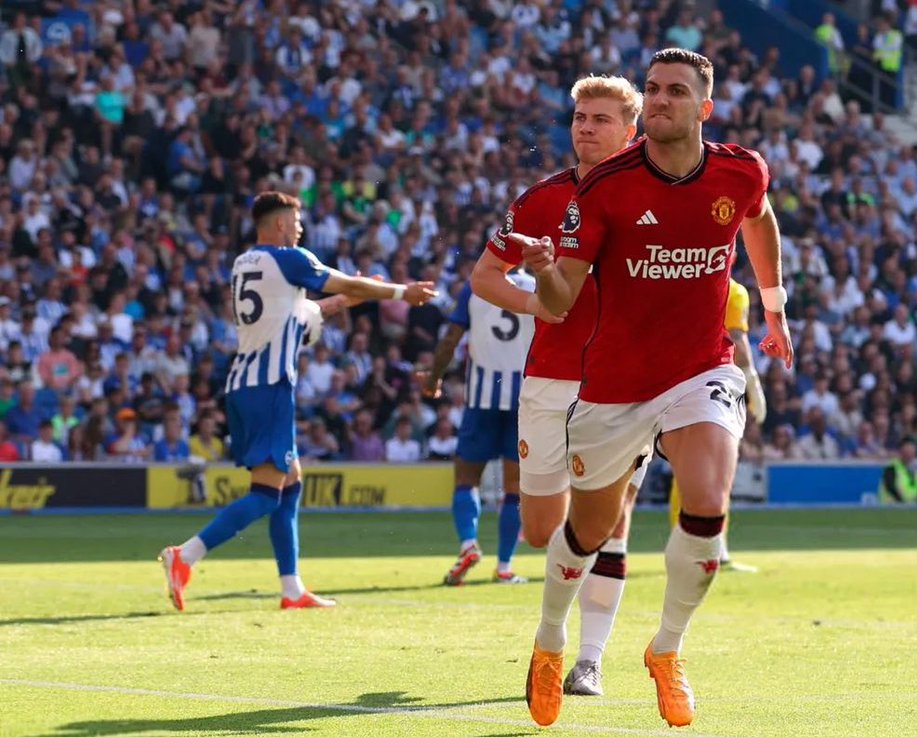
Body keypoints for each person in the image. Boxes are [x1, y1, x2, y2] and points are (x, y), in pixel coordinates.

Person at [513, 49, 793, 728]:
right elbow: (560, 299)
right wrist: (544, 270)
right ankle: (550, 639)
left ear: (705, 107)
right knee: (586, 530)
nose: (660, 99)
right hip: (615, 384)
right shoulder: (606, 186)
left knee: (707, 500)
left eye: (674, 91)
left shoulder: (741, 169)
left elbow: (757, 218)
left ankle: (666, 650)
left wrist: (776, 306)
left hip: (703, 368)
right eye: (652, 89)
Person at [158, 191, 437, 611]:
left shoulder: (246, 265)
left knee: (291, 482)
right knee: (267, 494)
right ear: (279, 225)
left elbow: (310, 312)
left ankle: (292, 589)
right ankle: (186, 555)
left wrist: (353, 298)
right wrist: (401, 292)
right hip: (269, 387)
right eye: (296, 219)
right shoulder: (289, 259)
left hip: (248, 383)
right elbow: (342, 282)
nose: (301, 226)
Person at [470, 75, 646, 695]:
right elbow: (484, 274)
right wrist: (536, 305)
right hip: (549, 380)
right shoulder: (540, 199)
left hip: (624, 386)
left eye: (600, 118)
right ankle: (564, 609)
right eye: (579, 117)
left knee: (612, 520)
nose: (586, 127)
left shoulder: (652, 197)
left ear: (633, 130)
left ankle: (587, 659)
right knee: (544, 530)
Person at [421, 272, 535, 585]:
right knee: (514, 489)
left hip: (481, 400)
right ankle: (504, 567)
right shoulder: (536, 285)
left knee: (466, 480)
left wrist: (433, 380)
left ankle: (468, 543)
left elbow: (450, 340)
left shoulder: (475, 284)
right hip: (521, 401)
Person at [666, 274, 765, 573]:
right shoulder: (733, 290)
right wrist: (752, 380)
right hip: (714, 384)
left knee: (687, 467)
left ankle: (694, 544)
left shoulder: (677, 283)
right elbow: (736, 337)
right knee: (715, 468)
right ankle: (709, 548)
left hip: (671, 378)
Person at [879, 435, 917, 504]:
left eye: (912, 449)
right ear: (901, 450)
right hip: (891, 509)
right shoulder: (892, 468)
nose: (910, 453)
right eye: (907, 449)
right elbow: (890, 487)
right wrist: (903, 503)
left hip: (911, 510)